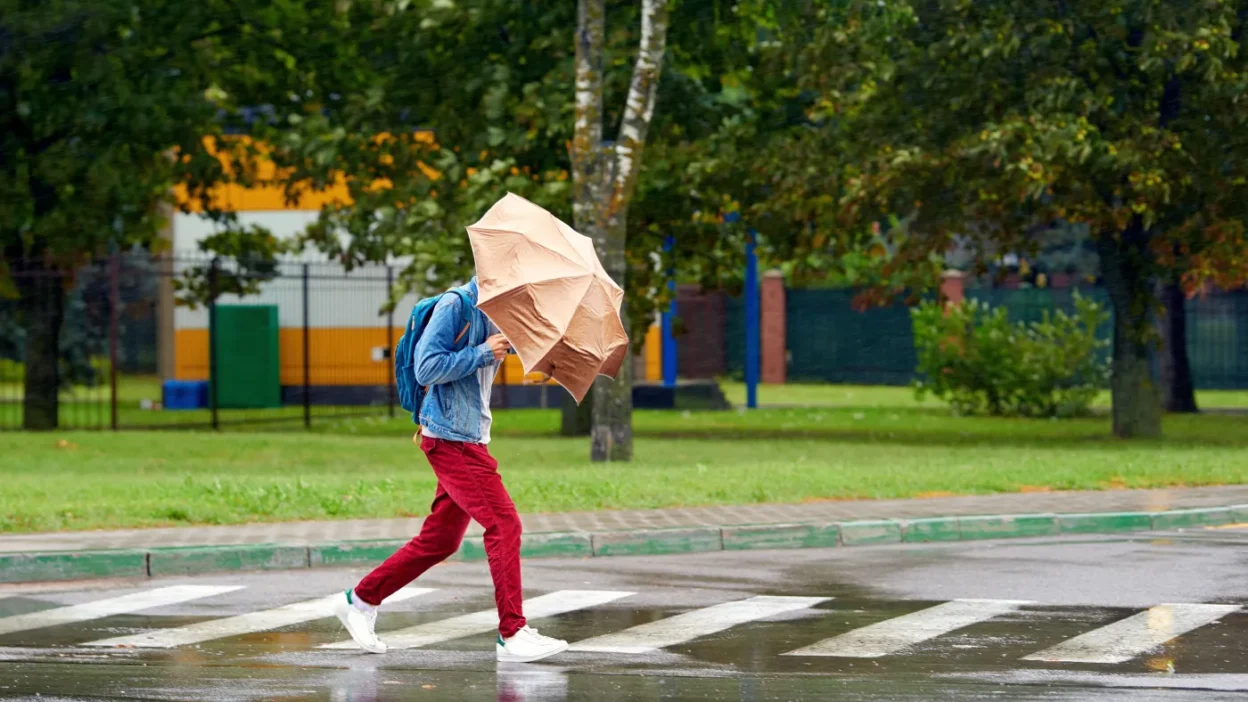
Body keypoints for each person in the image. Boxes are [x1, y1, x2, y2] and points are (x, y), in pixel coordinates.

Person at [333, 277, 568, 663]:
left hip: (469, 436)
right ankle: (512, 633)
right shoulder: (456, 305)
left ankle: (359, 600)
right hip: (451, 440)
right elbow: (427, 368)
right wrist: (482, 352)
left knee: (441, 540)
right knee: (504, 524)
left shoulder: (497, 311)